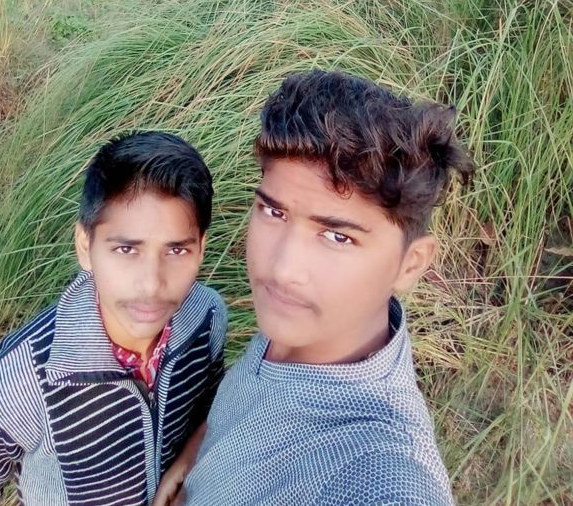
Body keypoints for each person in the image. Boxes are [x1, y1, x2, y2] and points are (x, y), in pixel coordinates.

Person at [183, 69, 474, 506]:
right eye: (274, 213)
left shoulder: (384, 473)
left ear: (410, 264)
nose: (283, 268)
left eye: (338, 237)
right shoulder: (305, 318)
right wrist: (194, 457)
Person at [0, 131, 228, 506]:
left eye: (176, 250)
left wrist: (186, 464)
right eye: (126, 249)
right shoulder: (20, 381)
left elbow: (210, 412)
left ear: (201, 249)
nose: (152, 284)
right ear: (85, 247)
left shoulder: (206, 318)